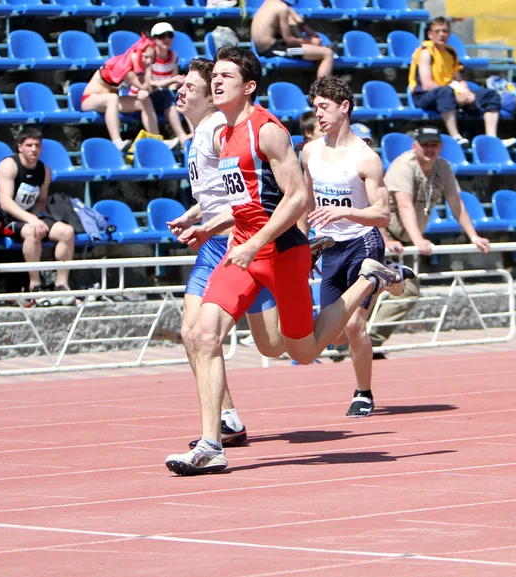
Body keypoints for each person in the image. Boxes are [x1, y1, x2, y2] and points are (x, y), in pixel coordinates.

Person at [164, 46, 409, 476]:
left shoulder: (268, 131)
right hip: (242, 248)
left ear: (249, 86)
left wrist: (255, 240)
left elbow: (296, 198)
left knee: (303, 349)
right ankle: (211, 443)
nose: (216, 82)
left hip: (280, 252)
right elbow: (245, 202)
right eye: (214, 75)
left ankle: (369, 279)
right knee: (203, 335)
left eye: (225, 76)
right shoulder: (223, 135)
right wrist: (209, 227)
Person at [166, 57, 283, 448]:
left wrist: (223, 226)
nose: (180, 91)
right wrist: (193, 214)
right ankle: (225, 420)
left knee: (274, 345)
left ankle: (327, 293)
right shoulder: (197, 133)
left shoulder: (221, 129)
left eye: (189, 87)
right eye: (181, 85)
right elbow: (216, 192)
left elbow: (242, 192)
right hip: (212, 241)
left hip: (237, 240)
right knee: (192, 333)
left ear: (210, 98)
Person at [302, 76, 410, 418]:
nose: (317, 114)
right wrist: (305, 245)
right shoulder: (309, 152)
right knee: (330, 337)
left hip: (362, 242)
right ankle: (393, 276)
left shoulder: (366, 158)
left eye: (324, 106)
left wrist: (346, 210)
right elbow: (305, 204)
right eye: (314, 107)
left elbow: (382, 214)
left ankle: (363, 392)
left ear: (344, 106)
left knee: (352, 326)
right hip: (329, 246)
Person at [368, 126, 491, 351]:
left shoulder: (443, 167)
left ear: (441, 147)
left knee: (408, 292)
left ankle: (370, 342)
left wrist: (474, 236)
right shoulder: (403, 166)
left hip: (407, 241)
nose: (430, 149)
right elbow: (403, 206)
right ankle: (350, 342)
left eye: (434, 145)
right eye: (425, 144)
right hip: (382, 236)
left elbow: (456, 203)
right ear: (414, 145)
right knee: (368, 291)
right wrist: (417, 240)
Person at [0, 127, 76, 302]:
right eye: (29, 145)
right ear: (20, 147)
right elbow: (5, 202)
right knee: (33, 232)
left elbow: (41, 200)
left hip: (31, 217)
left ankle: (61, 285)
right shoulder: (9, 165)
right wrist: (31, 219)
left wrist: (35, 216)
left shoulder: (44, 170)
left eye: (37, 145)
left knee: (66, 232)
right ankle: (35, 283)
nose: (33, 149)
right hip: (6, 219)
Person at [409, 16, 511, 148]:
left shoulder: (451, 52)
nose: (441, 34)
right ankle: (455, 136)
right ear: (430, 34)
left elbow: (459, 78)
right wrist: (456, 95)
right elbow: (427, 84)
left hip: (448, 94)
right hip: (424, 96)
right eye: (437, 31)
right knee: (446, 92)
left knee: (490, 95)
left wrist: (467, 93)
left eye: (445, 31)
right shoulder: (426, 53)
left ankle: (492, 138)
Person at [81, 34, 159, 151]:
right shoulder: (126, 69)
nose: (149, 61)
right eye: (146, 57)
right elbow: (146, 87)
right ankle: (117, 142)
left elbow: (147, 90)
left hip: (110, 103)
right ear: (137, 54)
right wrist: (148, 71)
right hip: (90, 99)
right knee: (112, 97)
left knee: (145, 101)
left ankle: (157, 140)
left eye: (152, 58)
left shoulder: (136, 69)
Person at [134, 22, 191, 148]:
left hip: (164, 95)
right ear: (154, 39)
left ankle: (195, 133)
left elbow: (173, 82)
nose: (166, 39)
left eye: (169, 35)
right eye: (161, 36)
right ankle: (181, 135)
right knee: (167, 96)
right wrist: (170, 81)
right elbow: (149, 83)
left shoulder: (174, 55)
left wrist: (177, 82)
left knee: (185, 96)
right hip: (149, 95)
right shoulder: (150, 57)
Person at [251, 0, 334, 79]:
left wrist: (305, 27)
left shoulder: (268, 4)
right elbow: (289, 40)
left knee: (319, 49)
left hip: (268, 48)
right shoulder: (281, 8)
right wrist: (311, 41)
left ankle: (315, 51)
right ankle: (323, 91)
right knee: (328, 53)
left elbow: (289, 11)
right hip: (273, 49)